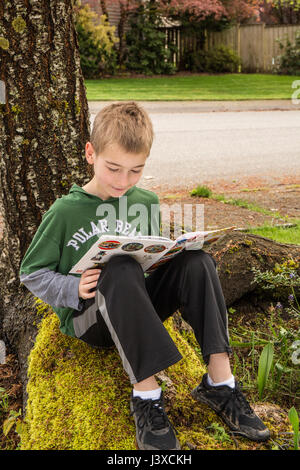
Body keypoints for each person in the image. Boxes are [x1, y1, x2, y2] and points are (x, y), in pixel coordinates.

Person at [19, 101, 270, 450]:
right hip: (90, 318)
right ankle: (147, 396)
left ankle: (220, 384)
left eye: (136, 170)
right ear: (90, 153)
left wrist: (172, 255)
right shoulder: (65, 211)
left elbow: (149, 257)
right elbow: (31, 273)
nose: (124, 181)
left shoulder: (146, 202)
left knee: (197, 262)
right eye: (114, 168)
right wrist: (72, 287)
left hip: (135, 307)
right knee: (119, 266)